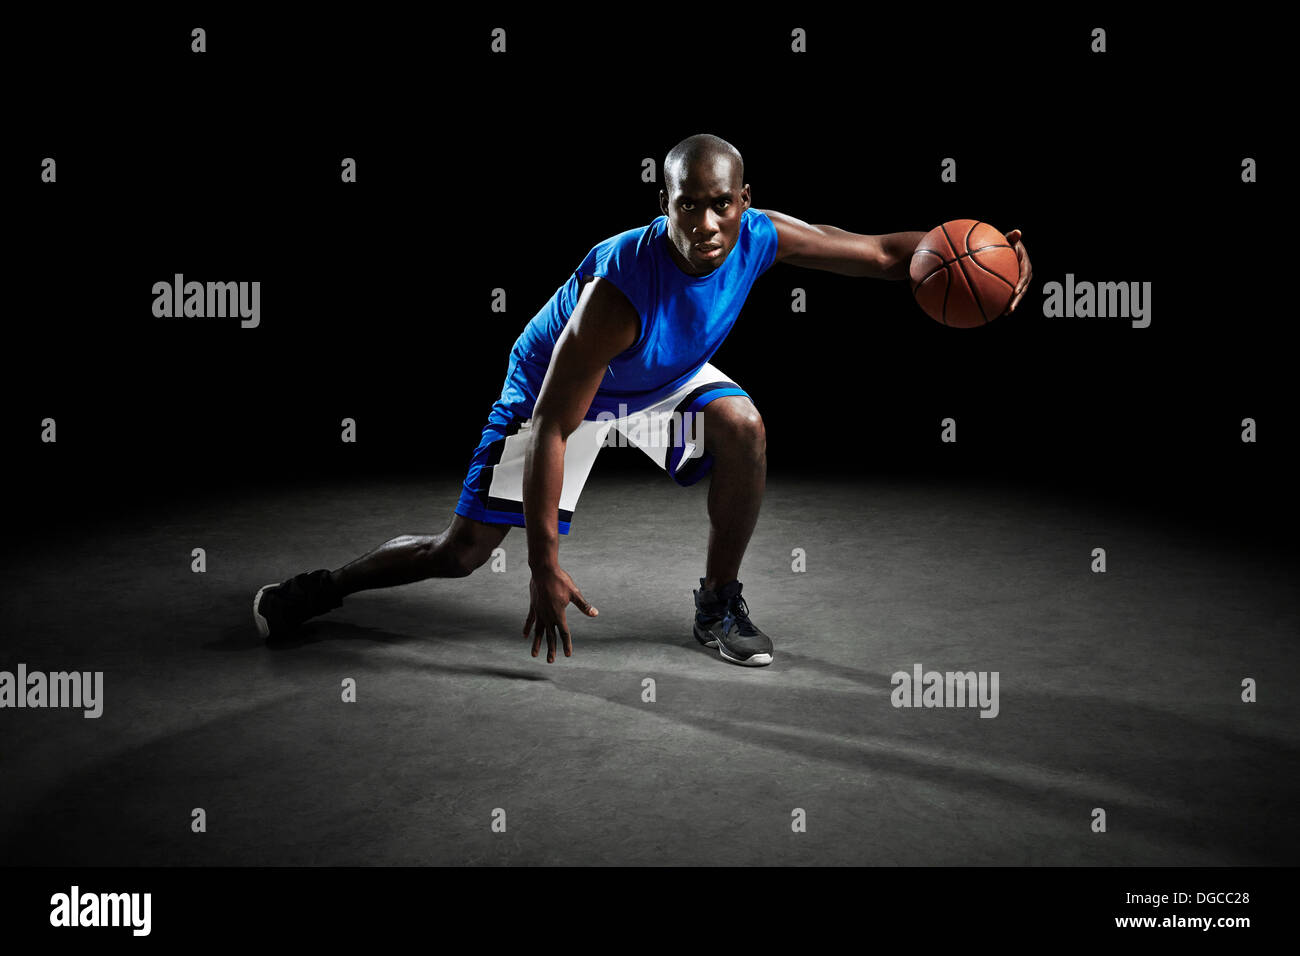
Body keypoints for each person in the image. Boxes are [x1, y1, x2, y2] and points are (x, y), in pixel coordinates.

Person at [253, 133, 1033, 667]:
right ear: (664, 203)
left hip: (661, 376)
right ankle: (324, 588)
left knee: (743, 425)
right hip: (561, 395)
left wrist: (989, 261)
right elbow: (557, 425)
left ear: (744, 199)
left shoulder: (760, 234)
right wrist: (542, 566)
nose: (705, 222)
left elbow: (885, 254)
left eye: (720, 203)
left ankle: (717, 605)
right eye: (686, 204)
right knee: (458, 555)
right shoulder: (619, 292)